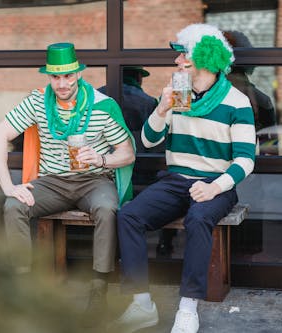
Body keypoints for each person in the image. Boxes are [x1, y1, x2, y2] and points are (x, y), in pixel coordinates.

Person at [109, 24, 256, 333]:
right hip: (176, 180)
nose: (176, 62)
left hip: (216, 183)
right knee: (129, 216)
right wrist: (161, 108)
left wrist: (215, 186)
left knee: (199, 218)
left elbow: (245, 160)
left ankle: (188, 309)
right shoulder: (178, 95)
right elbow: (149, 140)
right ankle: (140, 304)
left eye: (183, 56)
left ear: (202, 59)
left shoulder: (237, 102)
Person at [0, 42, 135, 325]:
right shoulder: (37, 102)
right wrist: (9, 187)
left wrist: (101, 159)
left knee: (107, 209)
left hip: (93, 180)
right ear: (49, 77)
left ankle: (98, 289)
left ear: (78, 73)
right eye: (56, 76)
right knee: (13, 205)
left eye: (68, 75)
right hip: (52, 182)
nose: (62, 83)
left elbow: (126, 153)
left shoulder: (102, 107)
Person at [98, 66, 158, 152]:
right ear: (138, 77)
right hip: (139, 157)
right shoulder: (150, 102)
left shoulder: (96, 97)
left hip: (102, 156)